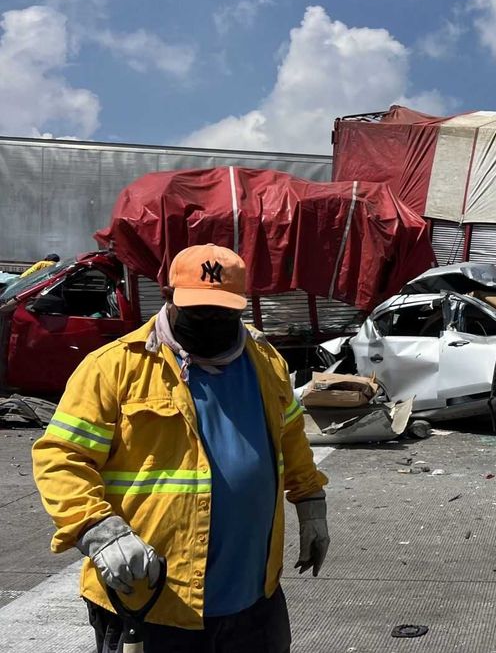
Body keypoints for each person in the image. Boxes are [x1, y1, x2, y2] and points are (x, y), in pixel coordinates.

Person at [32, 244, 330, 653]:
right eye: (197, 308)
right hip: (150, 602)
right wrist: (96, 529)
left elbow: (292, 438)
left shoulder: (266, 362)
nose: (209, 320)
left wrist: (311, 502)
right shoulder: (115, 368)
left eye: (221, 311)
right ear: (168, 296)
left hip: (253, 603)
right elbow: (60, 457)